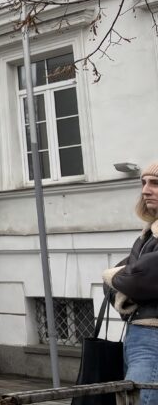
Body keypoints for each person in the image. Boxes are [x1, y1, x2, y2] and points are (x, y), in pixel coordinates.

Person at [103, 162, 158, 404]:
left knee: (140, 400)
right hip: (140, 332)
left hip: (152, 335)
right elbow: (131, 275)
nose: (145, 190)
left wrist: (113, 276)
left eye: (155, 183)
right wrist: (120, 280)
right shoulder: (149, 234)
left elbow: (137, 278)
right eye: (143, 183)